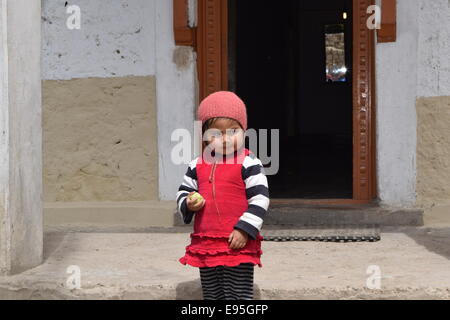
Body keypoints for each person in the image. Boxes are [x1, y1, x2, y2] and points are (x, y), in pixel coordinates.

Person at [176, 91, 270, 300]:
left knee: (238, 295)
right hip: (207, 242)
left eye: (233, 131)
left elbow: (260, 199)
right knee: (212, 294)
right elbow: (183, 191)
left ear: (244, 131)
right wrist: (189, 202)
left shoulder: (249, 162)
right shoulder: (197, 164)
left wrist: (244, 230)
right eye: (216, 134)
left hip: (237, 241)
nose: (225, 139)